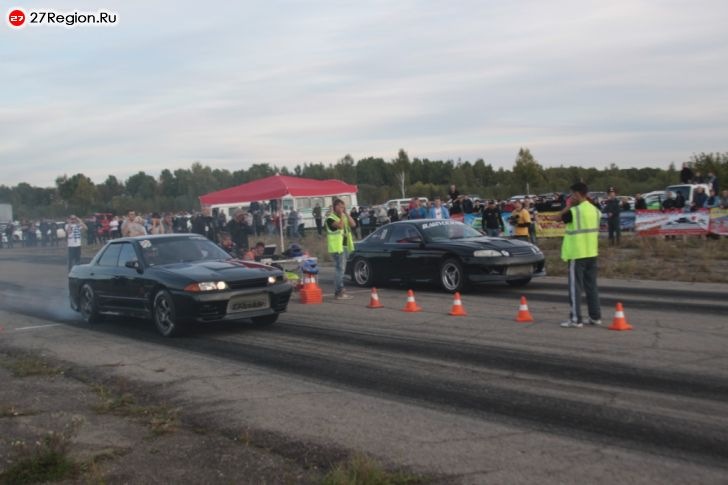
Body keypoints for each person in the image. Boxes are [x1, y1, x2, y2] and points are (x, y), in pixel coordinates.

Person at [560, 182, 602, 328]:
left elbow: (559, 217)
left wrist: (568, 205)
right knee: (591, 286)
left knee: (575, 287)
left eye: (572, 194)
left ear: (577, 194)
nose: (571, 197)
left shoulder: (575, 211)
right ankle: (595, 317)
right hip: (592, 252)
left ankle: (575, 319)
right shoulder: (596, 210)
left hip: (577, 253)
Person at [326, 198, 356, 300]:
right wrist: (341, 216)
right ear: (335, 207)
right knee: (340, 270)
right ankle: (339, 292)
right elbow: (340, 226)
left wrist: (346, 214)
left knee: (341, 270)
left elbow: (353, 224)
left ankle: (340, 291)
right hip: (337, 248)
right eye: (340, 206)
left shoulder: (344, 216)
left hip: (345, 246)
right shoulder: (330, 218)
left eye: (343, 206)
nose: (342, 208)